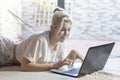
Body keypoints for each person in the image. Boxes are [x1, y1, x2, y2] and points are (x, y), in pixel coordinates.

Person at [0, 7, 84, 71]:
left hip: (9, 55)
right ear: (52, 28)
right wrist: (52, 66)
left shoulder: (61, 41)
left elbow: (60, 64)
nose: (66, 34)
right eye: (62, 29)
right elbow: (24, 65)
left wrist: (73, 53)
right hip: (5, 49)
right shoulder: (40, 40)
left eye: (68, 30)